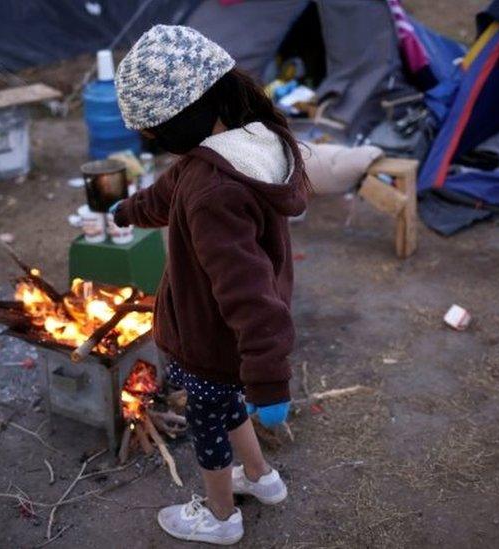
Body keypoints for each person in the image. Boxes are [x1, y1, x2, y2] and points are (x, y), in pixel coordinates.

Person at [109, 24, 308, 545]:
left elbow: (249, 294)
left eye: (153, 133)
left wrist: (268, 377)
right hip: (226, 344)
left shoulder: (212, 189)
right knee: (225, 407)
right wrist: (128, 211)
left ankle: (220, 517)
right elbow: (162, 196)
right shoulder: (238, 144)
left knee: (207, 423)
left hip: (211, 341)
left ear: (182, 118)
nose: (151, 143)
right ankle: (262, 478)